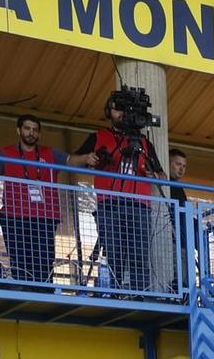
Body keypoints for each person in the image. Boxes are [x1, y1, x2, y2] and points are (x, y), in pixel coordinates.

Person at [68, 91, 165, 291]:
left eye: (126, 110)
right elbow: (71, 161)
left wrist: (151, 176)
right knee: (114, 253)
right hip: (109, 204)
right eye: (118, 109)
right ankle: (114, 292)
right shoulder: (98, 136)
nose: (122, 114)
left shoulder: (144, 142)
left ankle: (140, 294)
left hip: (139, 206)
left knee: (139, 254)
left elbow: (162, 177)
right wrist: (87, 158)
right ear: (109, 111)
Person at [0, 114, 65, 285]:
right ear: (19, 130)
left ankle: (45, 294)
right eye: (27, 128)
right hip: (14, 216)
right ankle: (23, 293)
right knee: (19, 261)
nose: (31, 133)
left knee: (44, 261)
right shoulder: (6, 152)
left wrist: (88, 157)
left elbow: (71, 161)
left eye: (35, 130)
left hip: (44, 217)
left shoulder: (50, 153)